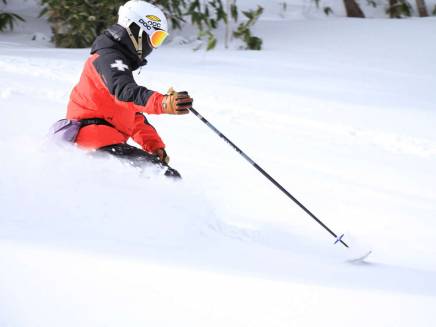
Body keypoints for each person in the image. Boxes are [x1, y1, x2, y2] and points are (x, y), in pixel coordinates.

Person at [65, 0, 193, 178]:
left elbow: (132, 116)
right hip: (94, 143)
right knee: (164, 177)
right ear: (136, 31)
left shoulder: (114, 59)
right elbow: (125, 92)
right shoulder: (108, 58)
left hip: (103, 143)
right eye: (155, 38)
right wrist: (163, 102)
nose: (154, 47)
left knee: (161, 175)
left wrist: (154, 145)